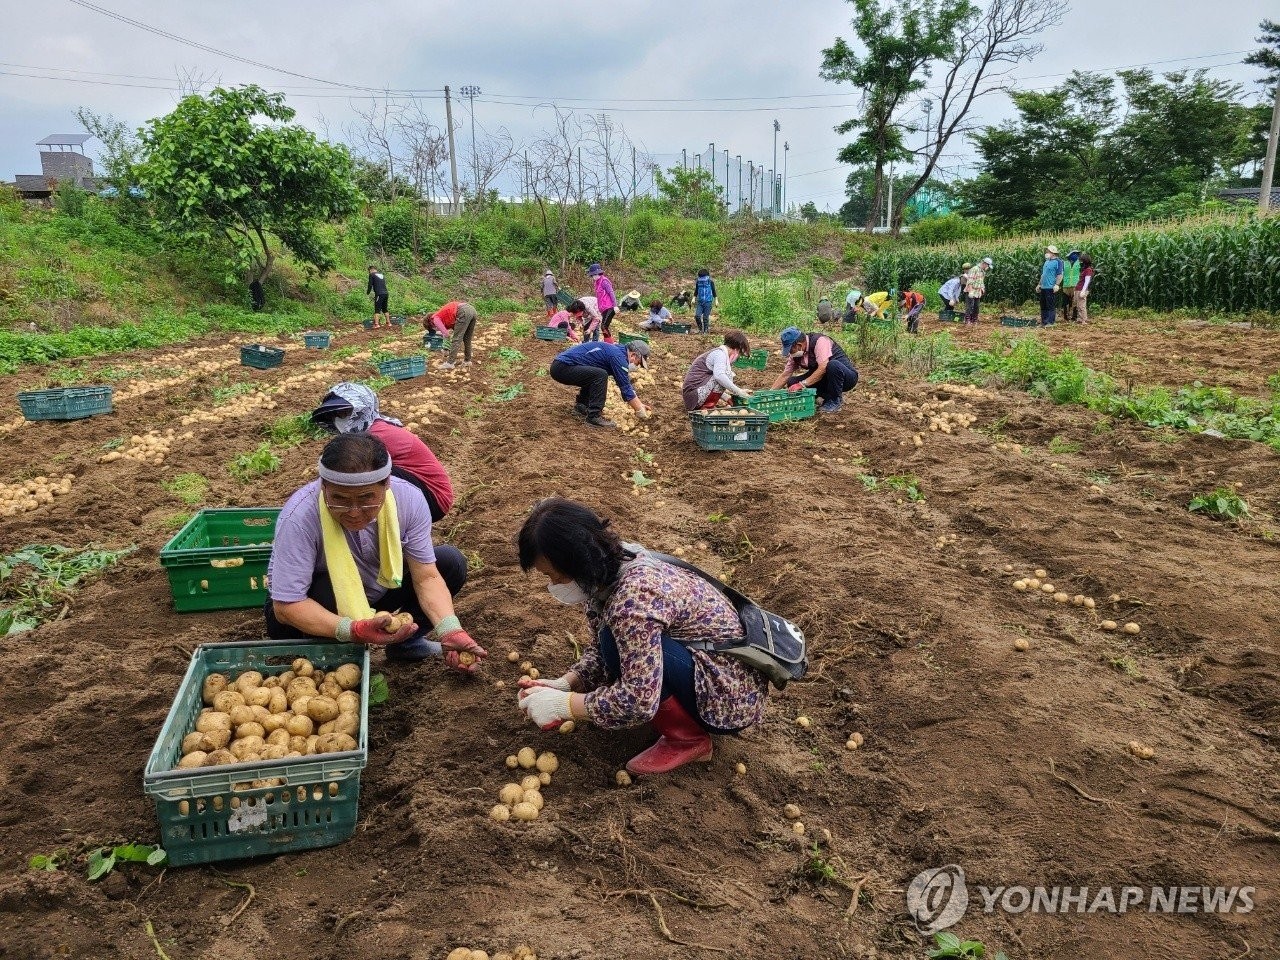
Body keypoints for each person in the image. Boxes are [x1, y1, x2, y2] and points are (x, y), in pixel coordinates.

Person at [514, 498, 768, 775]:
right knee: (612, 642)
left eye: (554, 575)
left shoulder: (633, 600)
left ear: (576, 562)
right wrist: (566, 684)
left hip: (731, 693)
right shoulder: (609, 566)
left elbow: (638, 700)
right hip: (712, 660)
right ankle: (677, 711)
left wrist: (566, 706)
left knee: (616, 643)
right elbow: (601, 648)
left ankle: (689, 739)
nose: (553, 585)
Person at [265, 433, 485, 668]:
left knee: (450, 562)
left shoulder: (408, 500)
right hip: (304, 614)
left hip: (371, 594)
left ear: (387, 484)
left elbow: (427, 578)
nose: (353, 511)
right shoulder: (299, 517)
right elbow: (286, 608)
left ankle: (406, 644)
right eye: (339, 499)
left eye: (366, 498)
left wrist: (450, 631)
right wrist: (354, 630)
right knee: (326, 589)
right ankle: (329, 659)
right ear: (323, 486)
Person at [310, 382, 454, 522]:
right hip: (425, 493)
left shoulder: (376, 435)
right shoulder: (373, 428)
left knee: (361, 473)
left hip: (433, 498)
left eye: (344, 413)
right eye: (335, 415)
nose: (339, 419)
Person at [549, 339, 652, 429]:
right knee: (600, 375)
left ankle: (582, 405)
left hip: (561, 366)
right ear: (633, 355)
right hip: (562, 367)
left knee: (596, 373)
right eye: (638, 363)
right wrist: (639, 411)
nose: (637, 366)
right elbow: (625, 387)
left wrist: (639, 403)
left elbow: (625, 382)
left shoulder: (617, 352)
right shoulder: (618, 357)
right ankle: (593, 416)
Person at [771, 325, 859, 414]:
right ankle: (822, 399)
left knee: (832, 365)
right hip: (825, 379)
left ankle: (835, 400)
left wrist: (802, 384)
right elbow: (785, 375)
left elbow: (823, 368)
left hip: (846, 378)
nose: (790, 353)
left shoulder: (820, 341)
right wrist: (770, 394)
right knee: (792, 382)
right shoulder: (795, 355)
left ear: (799, 345)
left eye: (791, 350)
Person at [682, 330, 754, 411]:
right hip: (694, 396)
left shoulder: (720, 353)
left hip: (693, 396)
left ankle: (707, 405)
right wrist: (738, 391)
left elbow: (710, 384)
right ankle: (707, 406)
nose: (738, 356)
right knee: (725, 375)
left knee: (724, 375)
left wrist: (726, 397)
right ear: (736, 349)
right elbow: (719, 377)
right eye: (739, 352)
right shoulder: (720, 354)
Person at [425, 301, 478, 369]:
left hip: (463, 311)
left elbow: (447, 335)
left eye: (433, 329)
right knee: (467, 338)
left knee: (456, 340)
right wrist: (447, 347)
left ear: (430, 324)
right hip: (472, 310)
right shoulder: (444, 317)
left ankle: (450, 363)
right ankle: (467, 361)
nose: (436, 330)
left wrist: (445, 349)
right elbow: (453, 330)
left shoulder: (435, 319)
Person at [588, 263, 617, 341]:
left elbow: (611, 292)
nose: (592, 277)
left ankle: (609, 344)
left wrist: (615, 305)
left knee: (604, 326)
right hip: (603, 308)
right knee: (604, 326)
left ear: (597, 273)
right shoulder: (597, 283)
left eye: (593, 275)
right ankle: (608, 342)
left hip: (610, 307)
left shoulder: (604, 281)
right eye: (592, 275)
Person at [1038, 245, 1064, 326]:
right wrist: (1039, 284)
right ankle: (1044, 321)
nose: (1046, 253)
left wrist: (1057, 284)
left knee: (1050, 305)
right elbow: (1043, 275)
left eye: (1048, 251)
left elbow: (1060, 274)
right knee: (1043, 305)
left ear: (1053, 253)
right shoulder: (1046, 261)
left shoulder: (1058, 262)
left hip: (1050, 287)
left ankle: (1050, 322)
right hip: (1043, 287)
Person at [963, 258, 993, 325]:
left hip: (978, 291)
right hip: (971, 290)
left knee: (976, 306)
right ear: (984, 263)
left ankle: (974, 320)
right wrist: (970, 291)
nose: (988, 267)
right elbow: (970, 280)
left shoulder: (982, 271)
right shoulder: (975, 269)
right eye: (988, 266)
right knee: (969, 306)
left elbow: (981, 281)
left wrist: (983, 288)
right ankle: (967, 320)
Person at [694, 268, 717, 334]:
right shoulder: (698, 282)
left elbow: (714, 291)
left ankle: (706, 330)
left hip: (708, 302)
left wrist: (716, 300)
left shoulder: (710, 282)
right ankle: (700, 329)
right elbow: (696, 290)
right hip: (700, 302)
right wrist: (694, 297)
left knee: (705, 317)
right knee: (697, 316)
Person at [1075, 253, 1095, 324]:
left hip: (1081, 289)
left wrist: (1083, 291)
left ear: (1085, 261)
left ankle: (1083, 320)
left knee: (1082, 305)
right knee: (1078, 305)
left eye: (1081, 260)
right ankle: (1080, 319)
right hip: (1078, 289)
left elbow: (1087, 281)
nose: (1080, 262)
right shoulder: (1085, 269)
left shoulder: (1088, 270)